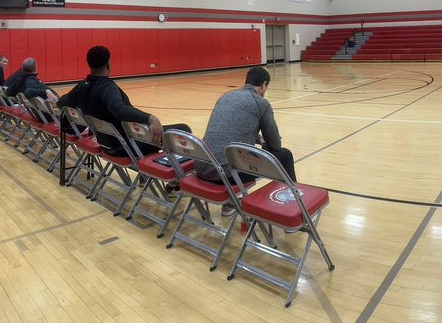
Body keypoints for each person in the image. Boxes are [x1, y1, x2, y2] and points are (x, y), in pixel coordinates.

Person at [57, 46, 190, 157]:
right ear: (108, 64)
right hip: (125, 146)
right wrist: (151, 119)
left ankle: (147, 176)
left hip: (105, 143)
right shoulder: (107, 87)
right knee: (183, 130)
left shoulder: (81, 86)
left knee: (148, 133)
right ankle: (176, 176)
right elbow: (119, 109)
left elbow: (62, 102)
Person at [197, 67, 295, 216]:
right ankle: (292, 208)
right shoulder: (261, 103)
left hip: (202, 167)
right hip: (227, 177)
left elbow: (229, 127)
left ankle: (230, 203)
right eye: (266, 88)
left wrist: (257, 137)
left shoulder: (225, 96)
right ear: (263, 85)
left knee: (230, 152)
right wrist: (267, 140)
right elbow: (275, 145)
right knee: (285, 155)